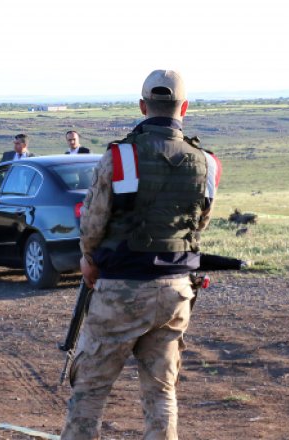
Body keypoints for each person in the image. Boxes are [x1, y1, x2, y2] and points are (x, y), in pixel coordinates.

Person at [61, 69, 220, 440]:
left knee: (90, 389)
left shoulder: (121, 157)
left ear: (142, 106)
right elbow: (200, 222)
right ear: (184, 108)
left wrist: (88, 259)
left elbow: (94, 220)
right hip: (176, 291)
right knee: (161, 391)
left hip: (121, 289)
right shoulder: (207, 162)